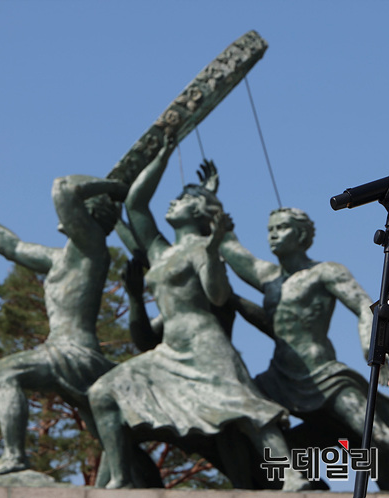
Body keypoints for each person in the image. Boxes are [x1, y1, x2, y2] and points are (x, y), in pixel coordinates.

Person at [86, 136, 307, 490]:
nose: (172, 201)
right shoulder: (159, 251)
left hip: (205, 345)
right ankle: (120, 479)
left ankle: (292, 475)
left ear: (200, 210)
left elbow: (218, 295)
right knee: (102, 393)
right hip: (169, 350)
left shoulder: (205, 248)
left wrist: (215, 246)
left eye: (183, 199)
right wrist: (163, 154)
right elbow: (136, 203)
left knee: (249, 411)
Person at [220, 206, 389, 493]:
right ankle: (287, 477)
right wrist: (220, 226)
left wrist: (369, 342)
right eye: (270, 229)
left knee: (377, 434)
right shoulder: (269, 278)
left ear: (301, 235)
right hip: (278, 376)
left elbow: (361, 304)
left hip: (323, 373)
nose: (273, 235)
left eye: (282, 228)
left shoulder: (325, 272)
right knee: (245, 412)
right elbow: (235, 254)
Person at [0, 175, 127, 477]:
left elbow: (64, 188)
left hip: (74, 352)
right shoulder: (61, 258)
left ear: (89, 214)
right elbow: (12, 247)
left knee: (5, 371)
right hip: (66, 351)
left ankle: (15, 456)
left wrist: (112, 187)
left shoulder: (92, 245)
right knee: (109, 437)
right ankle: (119, 483)